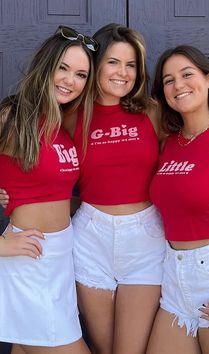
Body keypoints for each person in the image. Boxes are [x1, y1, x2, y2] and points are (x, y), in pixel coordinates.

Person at [0, 25, 98, 354]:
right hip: (30, 260)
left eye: (81, 74)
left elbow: (53, 195)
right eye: (63, 68)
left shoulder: (62, 126)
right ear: (46, 66)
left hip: (60, 260)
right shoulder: (13, 116)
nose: (71, 81)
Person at [71, 23, 166, 354]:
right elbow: (46, 170)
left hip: (145, 239)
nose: (123, 73)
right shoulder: (73, 115)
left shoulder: (152, 111)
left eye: (131, 65)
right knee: (104, 348)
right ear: (96, 64)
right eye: (113, 62)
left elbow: (186, 159)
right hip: (90, 237)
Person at [147, 45, 209, 354]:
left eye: (187, 74)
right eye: (168, 80)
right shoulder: (167, 144)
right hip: (173, 280)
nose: (178, 85)